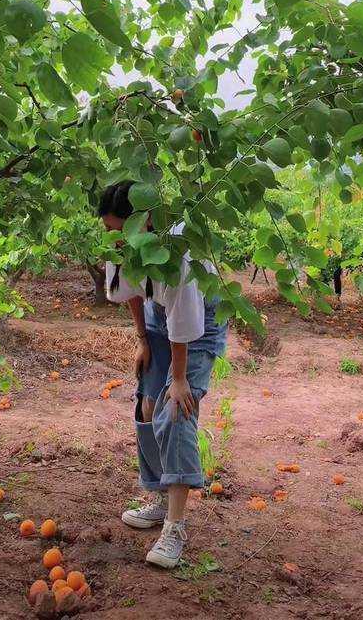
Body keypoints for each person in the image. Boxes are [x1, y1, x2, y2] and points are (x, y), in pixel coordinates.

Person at [98, 181, 227, 569]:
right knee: (146, 406)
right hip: (159, 317)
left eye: (118, 230)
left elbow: (185, 321)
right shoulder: (122, 245)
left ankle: (175, 526)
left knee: (174, 410)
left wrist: (180, 378)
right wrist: (142, 340)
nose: (114, 240)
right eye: (109, 231)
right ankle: (157, 496)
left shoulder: (178, 255)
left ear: (145, 221)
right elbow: (133, 293)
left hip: (199, 321)